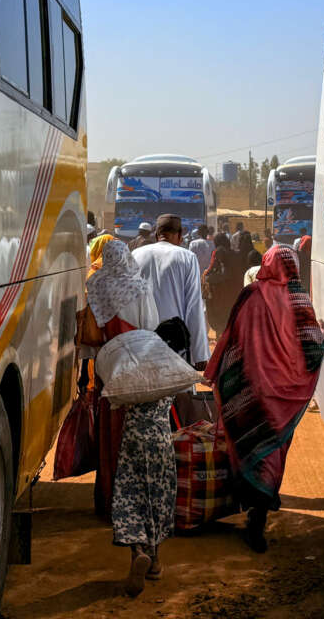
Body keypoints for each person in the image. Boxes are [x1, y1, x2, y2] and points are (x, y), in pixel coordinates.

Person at [205, 246, 324, 554]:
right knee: (271, 454)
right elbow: (314, 348)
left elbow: (230, 337)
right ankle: (256, 520)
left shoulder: (251, 295)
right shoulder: (299, 300)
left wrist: (221, 371)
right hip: (282, 397)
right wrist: (295, 372)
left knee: (247, 444)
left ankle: (250, 513)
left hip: (250, 390)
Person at [84, 241, 174, 595]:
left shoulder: (97, 284)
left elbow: (90, 341)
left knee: (120, 456)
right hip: (145, 371)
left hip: (113, 372)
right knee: (157, 482)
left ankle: (127, 532)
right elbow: (152, 325)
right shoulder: (140, 284)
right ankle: (155, 557)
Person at [132, 215, 210, 369]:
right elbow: (194, 307)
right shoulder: (187, 257)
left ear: (156, 235)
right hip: (176, 343)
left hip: (141, 340)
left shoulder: (136, 255)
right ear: (180, 235)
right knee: (178, 388)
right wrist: (199, 354)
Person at [205, 232, 245, 333]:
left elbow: (223, 274)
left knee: (222, 321)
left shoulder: (220, 252)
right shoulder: (236, 254)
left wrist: (209, 278)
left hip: (222, 294)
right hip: (236, 292)